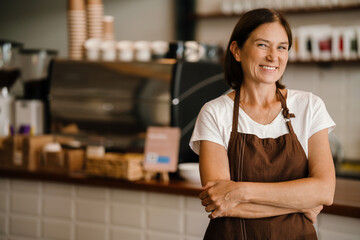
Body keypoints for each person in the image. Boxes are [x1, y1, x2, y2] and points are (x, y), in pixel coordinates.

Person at [189, 8, 336, 239]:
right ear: (237, 51)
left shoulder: (310, 106)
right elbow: (220, 202)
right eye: (262, 45)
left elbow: (325, 191)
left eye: (282, 47)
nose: (273, 56)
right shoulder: (214, 112)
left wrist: (240, 191)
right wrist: (300, 203)